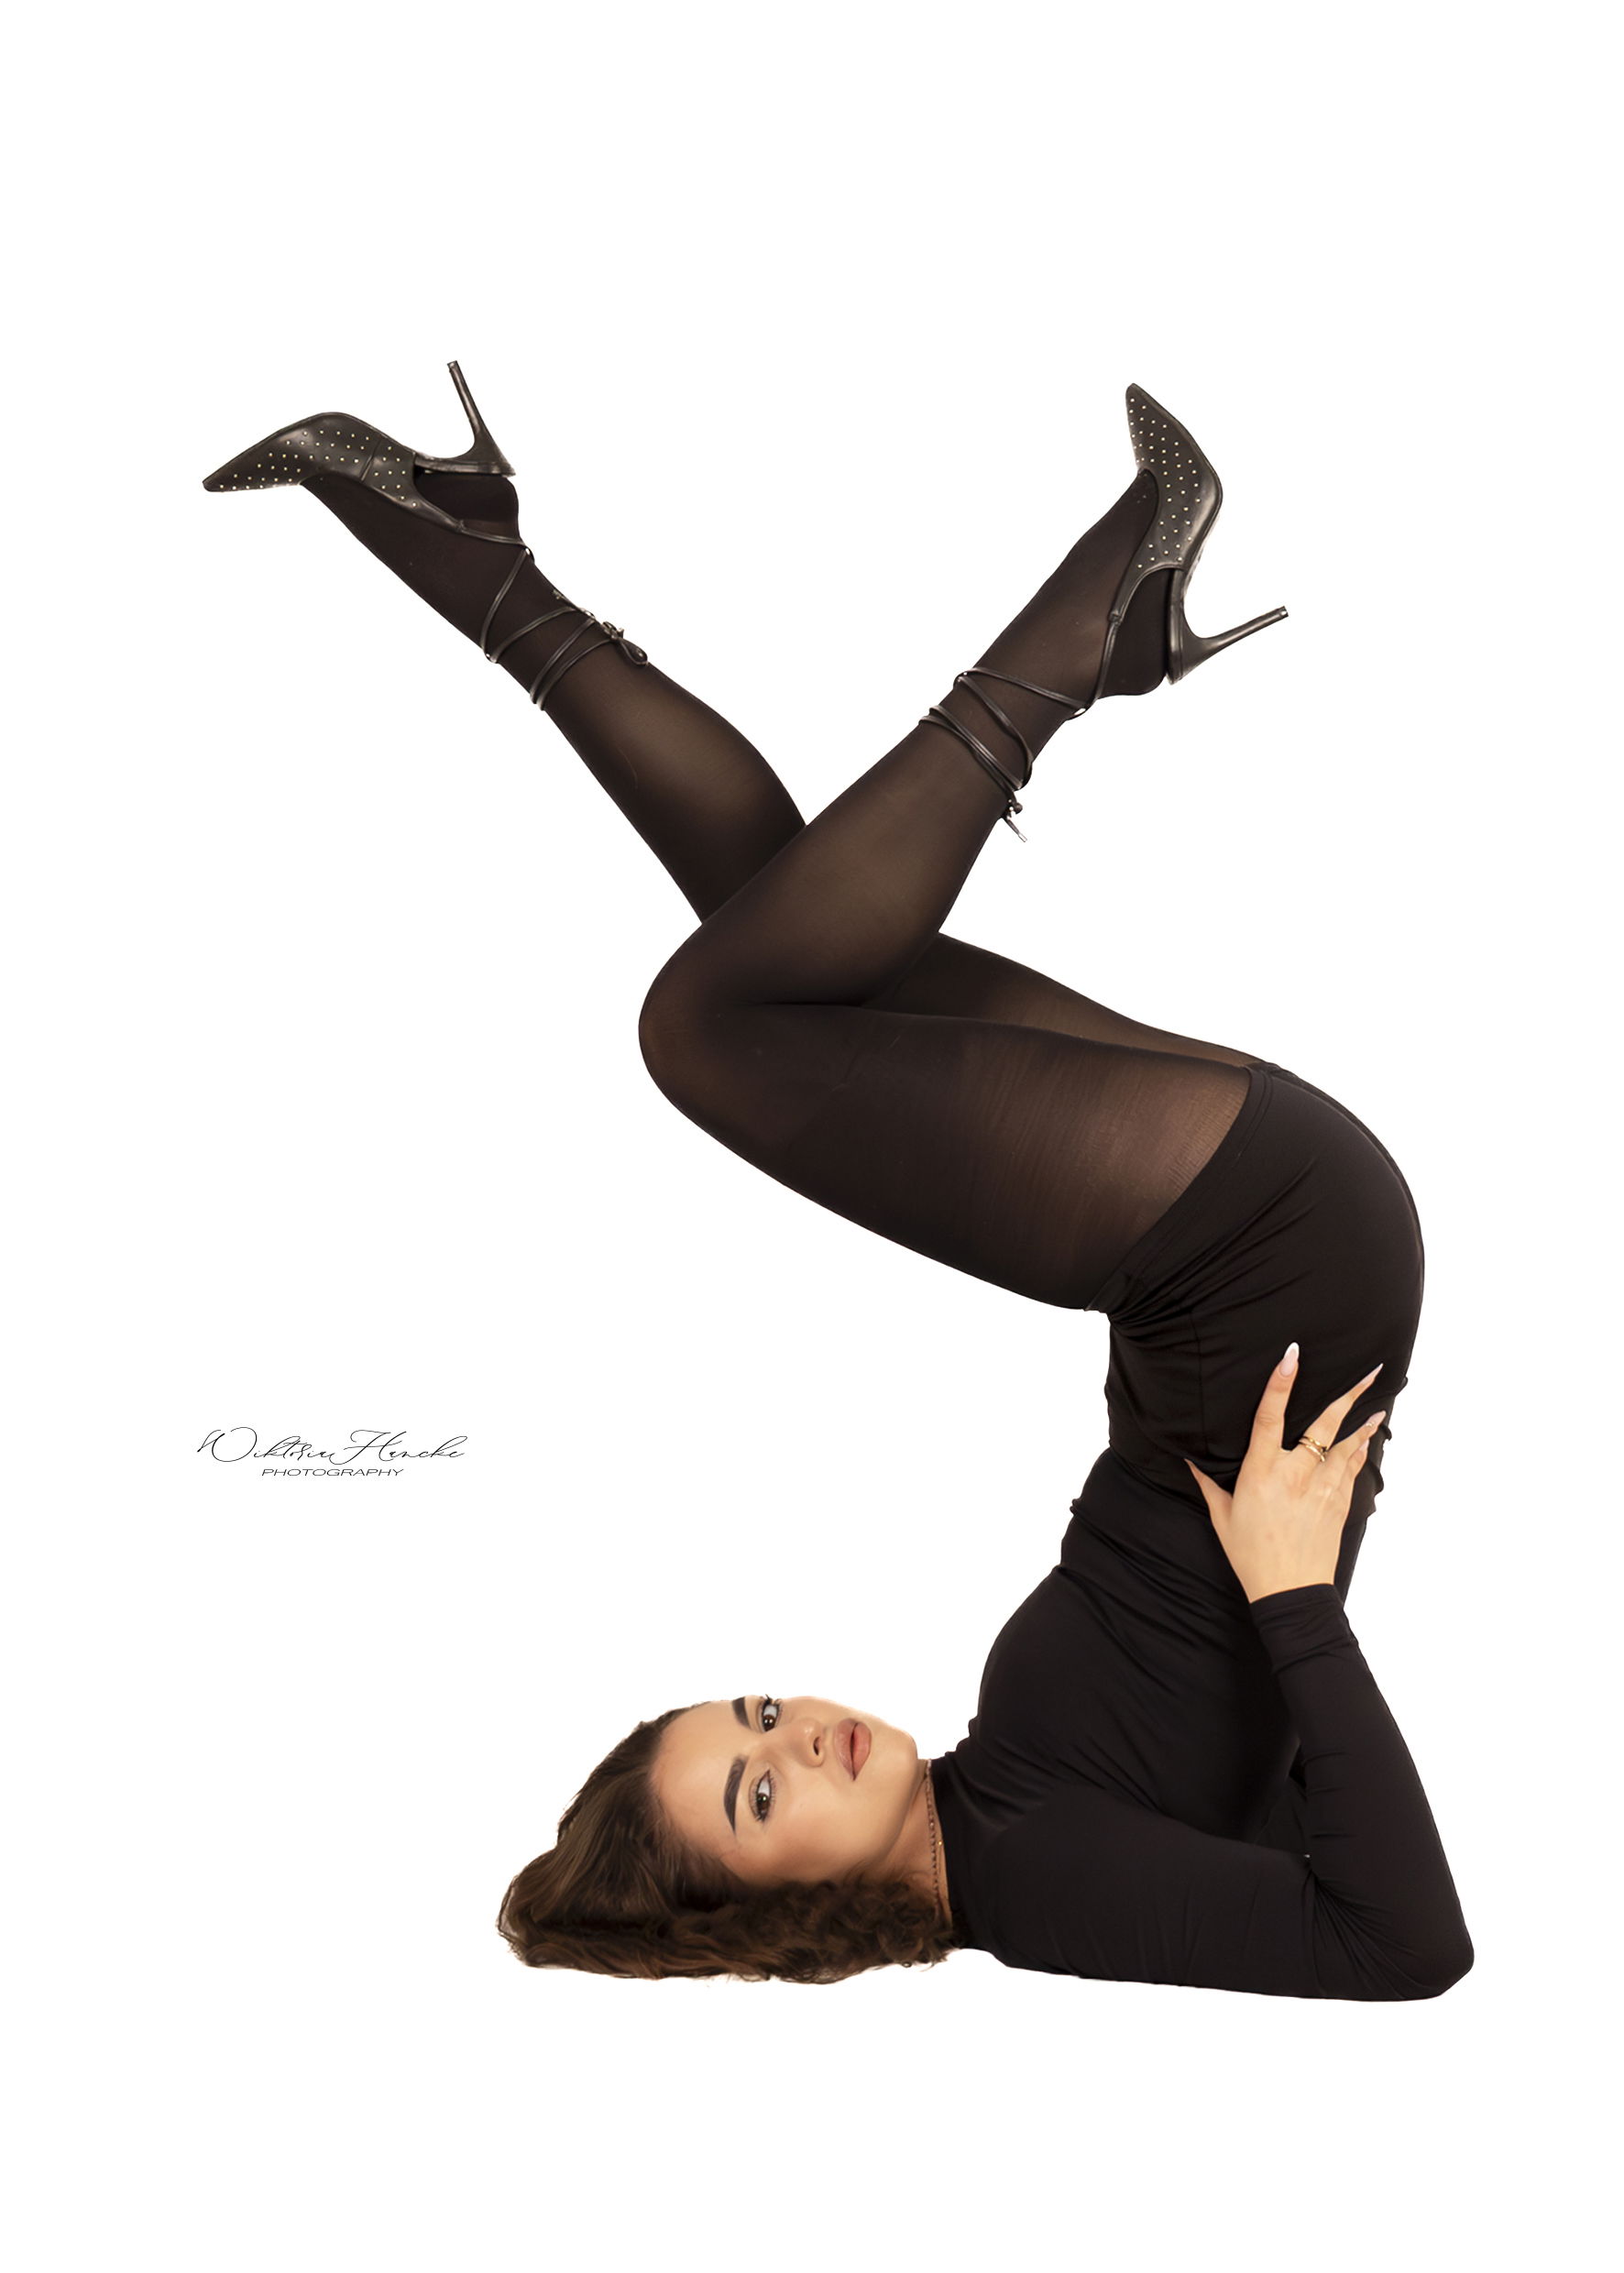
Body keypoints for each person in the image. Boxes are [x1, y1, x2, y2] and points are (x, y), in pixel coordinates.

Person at [203, 372, 1474, 2000]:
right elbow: (1400, 1948)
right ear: (778, 1920)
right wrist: (1298, 1603)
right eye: (761, 1795)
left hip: (1234, 1270)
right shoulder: (1034, 1890)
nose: (795, 1734)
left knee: (786, 939)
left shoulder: (994, 1804)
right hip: (1251, 1255)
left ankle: (471, 550)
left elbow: (1236, 1770)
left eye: (750, 1720)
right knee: (706, 1030)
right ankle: (1093, 622)